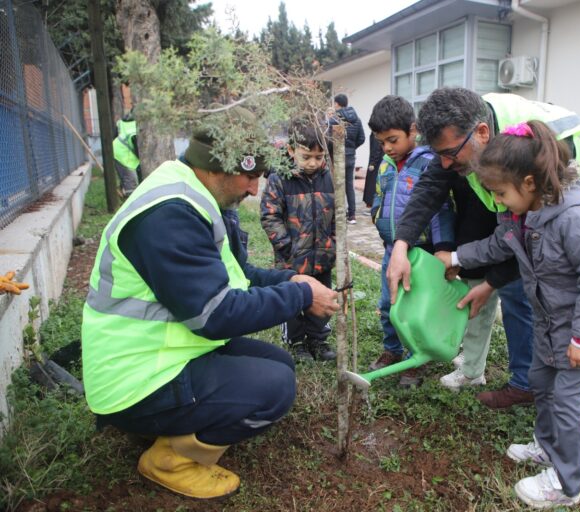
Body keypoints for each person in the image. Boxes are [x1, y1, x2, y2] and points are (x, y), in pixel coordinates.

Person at [80, 107, 340, 499]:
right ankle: (170, 458)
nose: (255, 189)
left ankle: (174, 421)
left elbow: (237, 276)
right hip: (135, 378)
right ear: (218, 166)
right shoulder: (169, 216)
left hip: (165, 349)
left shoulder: (193, 194)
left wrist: (291, 279)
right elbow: (216, 316)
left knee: (280, 363)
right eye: (250, 176)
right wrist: (302, 294)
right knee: (274, 388)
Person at [387, 88, 580, 430]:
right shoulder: (464, 136)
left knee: (563, 301)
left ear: (482, 133)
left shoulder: (545, 157)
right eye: (440, 155)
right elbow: (435, 190)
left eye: (451, 154)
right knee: (522, 295)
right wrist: (401, 245)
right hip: (529, 217)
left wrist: (491, 282)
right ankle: (528, 384)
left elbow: (530, 245)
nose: (446, 165)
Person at [437, 120, 580, 509]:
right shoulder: (520, 216)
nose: (498, 202)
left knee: (569, 405)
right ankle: (546, 447)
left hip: (579, 336)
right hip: (549, 328)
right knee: (541, 382)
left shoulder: (573, 219)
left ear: (527, 182)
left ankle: (566, 484)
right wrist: (457, 257)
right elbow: (496, 246)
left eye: (501, 193)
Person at [365, 95, 456, 387]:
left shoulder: (429, 162)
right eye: (381, 142)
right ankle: (392, 350)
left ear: (412, 130)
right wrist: (378, 219)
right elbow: (379, 196)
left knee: (416, 308)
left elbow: (440, 209)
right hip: (393, 251)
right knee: (388, 304)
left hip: (422, 253)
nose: (387, 147)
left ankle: (415, 358)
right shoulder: (386, 164)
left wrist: (443, 248)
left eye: (392, 139)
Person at [260, 121, 337, 362]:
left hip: (323, 256)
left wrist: (332, 243)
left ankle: (317, 338)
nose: (313, 163)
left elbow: (338, 214)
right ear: (292, 150)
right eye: (306, 157)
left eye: (318, 156)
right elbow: (269, 214)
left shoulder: (330, 177)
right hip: (292, 260)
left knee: (321, 297)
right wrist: (286, 247)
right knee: (293, 300)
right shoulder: (279, 178)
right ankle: (295, 342)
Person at [329, 93, 366, 223]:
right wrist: (351, 149)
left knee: (337, 185)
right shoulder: (357, 119)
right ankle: (352, 216)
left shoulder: (335, 119)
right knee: (349, 186)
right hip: (350, 157)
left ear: (337, 104)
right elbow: (362, 138)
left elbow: (328, 139)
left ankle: (339, 214)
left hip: (338, 156)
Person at [112, 111, 142, 196]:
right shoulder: (135, 131)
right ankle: (131, 202)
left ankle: (124, 191)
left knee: (127, 177)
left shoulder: (123, 122)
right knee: (131, 180)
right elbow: (138, 151)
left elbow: (114, 135)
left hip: (119, 151)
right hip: (123, 155)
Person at [363, 131, 385, 208]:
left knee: (374, 182)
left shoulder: (376, 132)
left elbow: (376, 149)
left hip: (376, 162)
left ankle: (372, 202)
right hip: (380, 160)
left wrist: (373, 163)